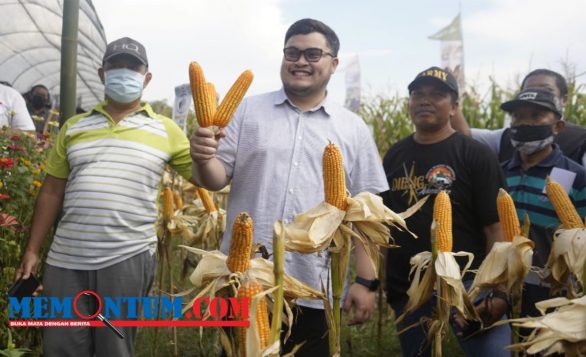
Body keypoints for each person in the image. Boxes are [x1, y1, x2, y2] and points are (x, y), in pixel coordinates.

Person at [190, 18, 387, 356]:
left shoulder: (352, 128)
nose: (300, 61)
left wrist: (366, 281)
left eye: (313, 54)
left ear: (333, 63)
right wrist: (201, 156)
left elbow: (367, 216)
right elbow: (215, 178)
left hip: (316, 286)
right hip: (244, 278)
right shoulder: (247, 110)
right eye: (292, 52)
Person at [15, 37, 194, 357]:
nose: (124, 72)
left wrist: (208, 148)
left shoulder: (166, 130)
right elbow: (52, 191)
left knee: (114, 346)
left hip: (127, 256)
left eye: (133, 67)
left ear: (147, 77)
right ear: (102, 73)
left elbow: (206, 179)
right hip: (66, 258)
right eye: (115, 66)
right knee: (61, 346)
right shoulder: (73, 127)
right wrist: (32, 249)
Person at [382, 66, 511, 357]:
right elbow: (385, 225)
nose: (425, 101)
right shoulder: (394, 155)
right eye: (418, 94)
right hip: (410, 288)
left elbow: (496, 227)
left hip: (469, 286)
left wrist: (493, 290)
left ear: (454, 107)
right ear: (409, 103)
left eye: (437, 95)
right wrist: (382, 283)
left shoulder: (474, 153)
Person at [498, 87, 586, 317]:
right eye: (517, 116)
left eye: (535, 116)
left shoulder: (579, 178)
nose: (524, 123)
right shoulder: (499, 173)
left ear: (558, 127)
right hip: (505, 290)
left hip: (557, 297)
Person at [453, 69, 586, 182]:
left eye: (546, 90)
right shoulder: (504, 138)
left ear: (564, 100)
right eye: (517, 115)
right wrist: (451, 95)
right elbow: (464, 136)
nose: (526, 123)